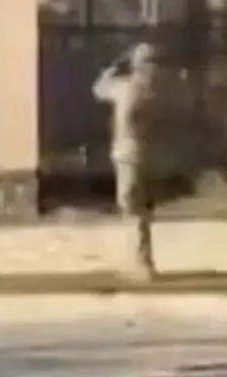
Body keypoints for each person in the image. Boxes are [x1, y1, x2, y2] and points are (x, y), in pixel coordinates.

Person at [93, 41, 165, 281]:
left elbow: (98, 89)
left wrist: (112, 68)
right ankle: (142, 260)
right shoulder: (156, 90)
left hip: (128, 154)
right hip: (148, 154)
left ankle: (141, 264)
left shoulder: (126, 87)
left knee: (131, 207)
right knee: (140, 208)